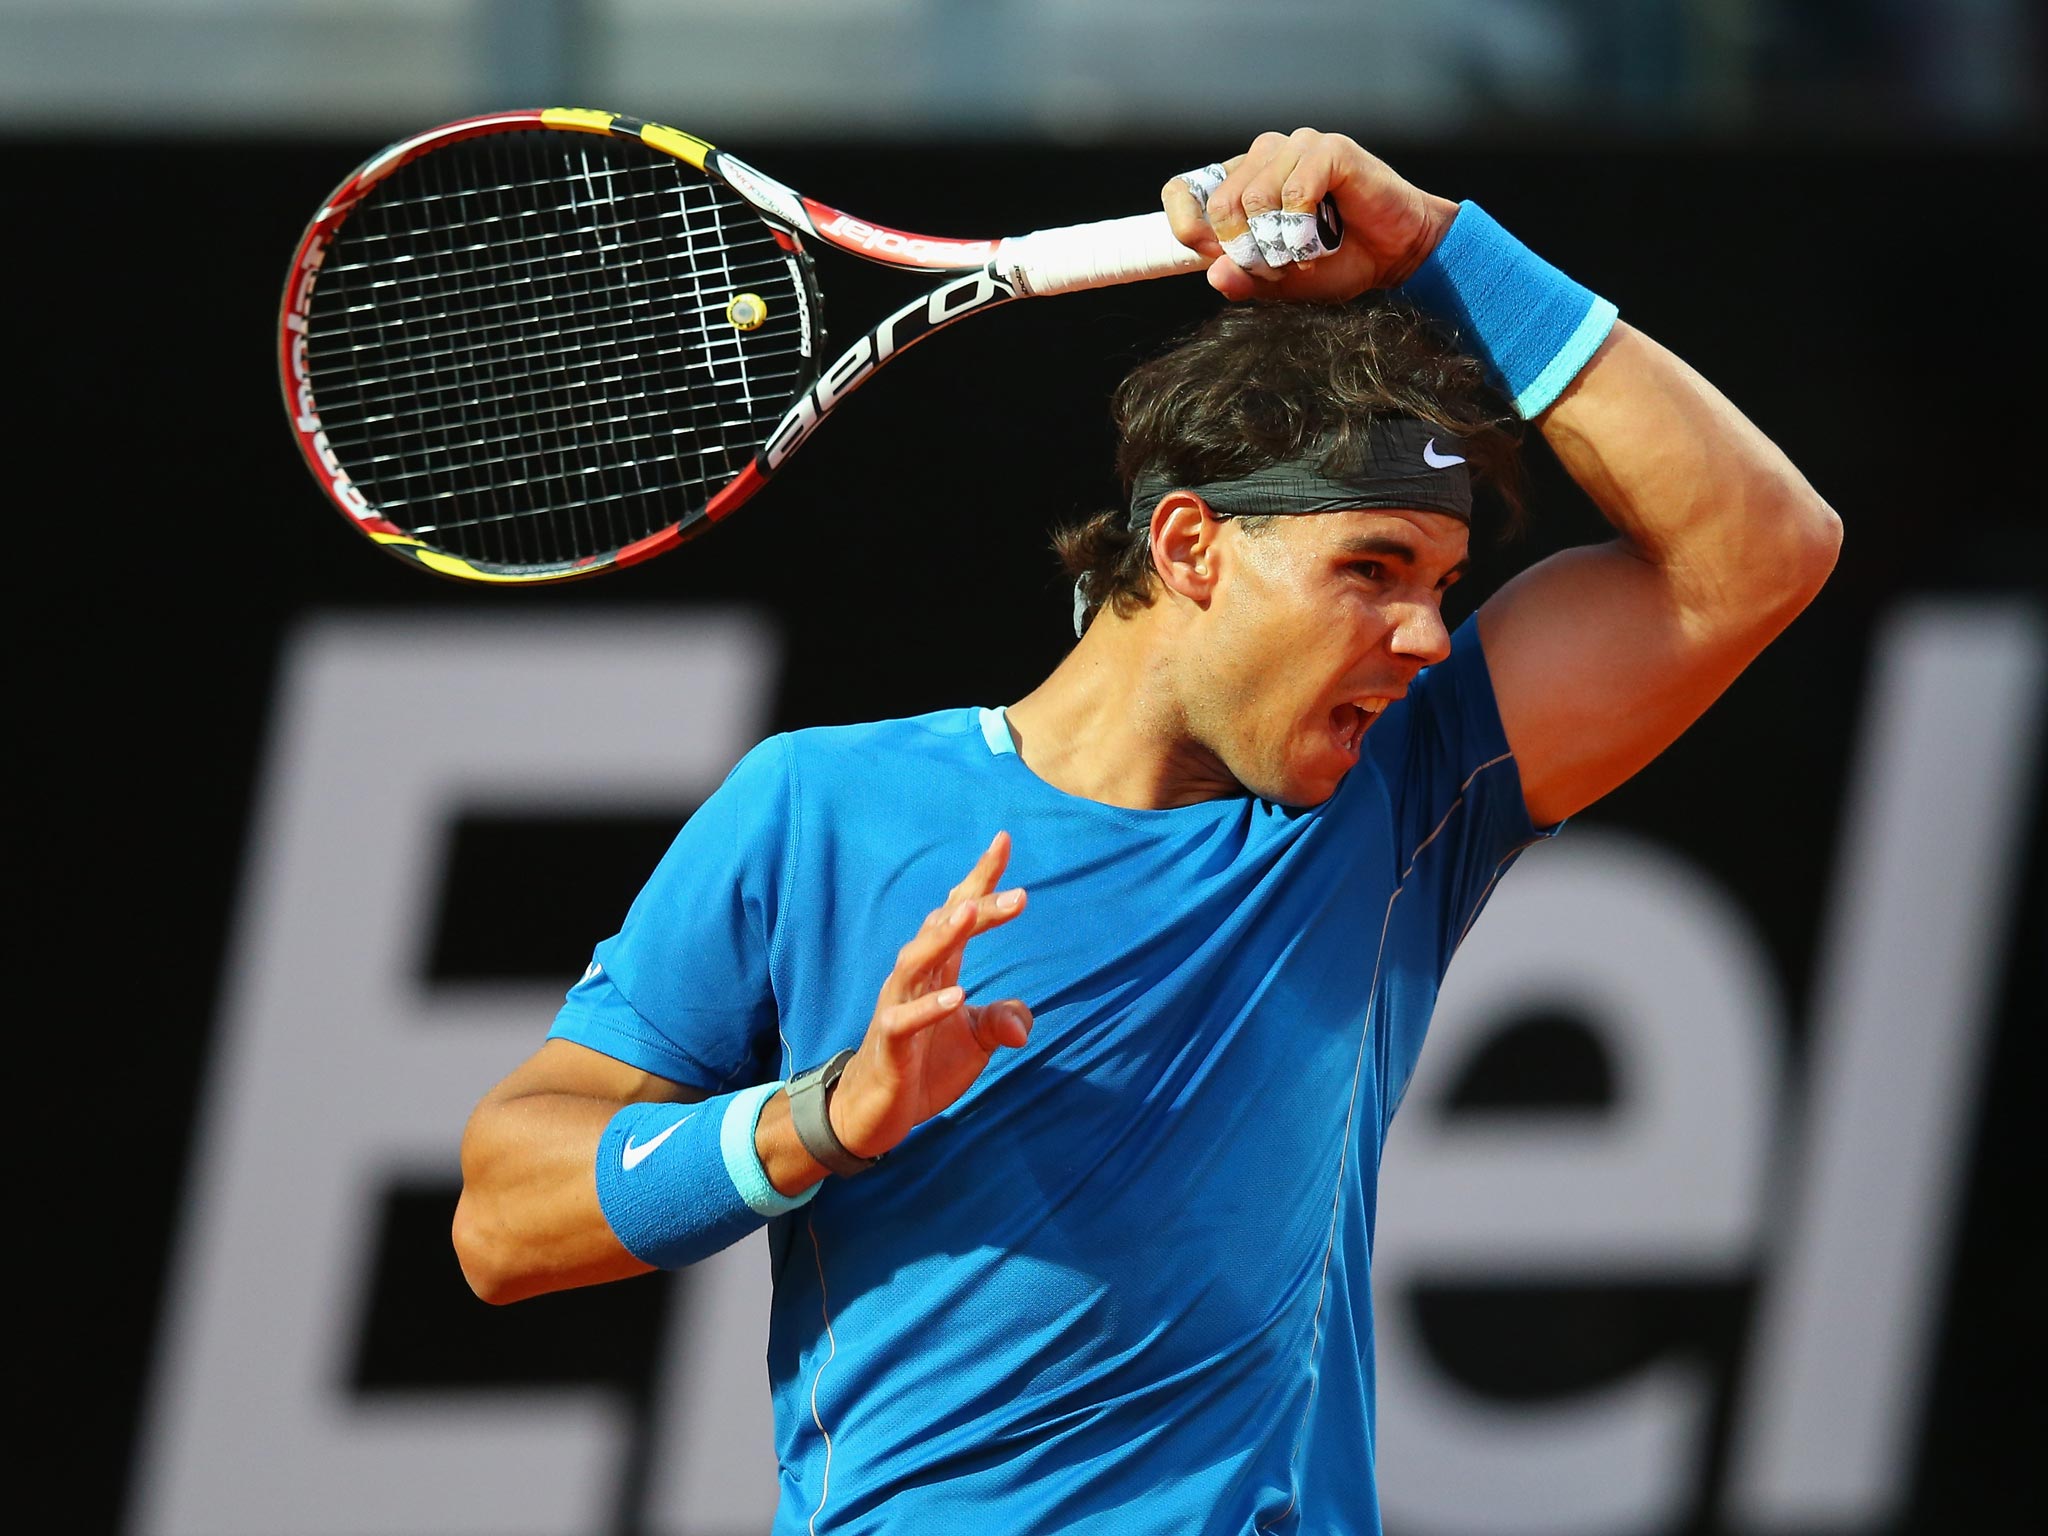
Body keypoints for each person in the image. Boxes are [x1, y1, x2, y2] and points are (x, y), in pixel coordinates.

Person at [452, 130, 1840, 1534]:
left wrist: (1435, 246)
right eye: (1373, 571)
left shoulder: (1406, 798)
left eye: (1445, 582)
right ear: (1188, 549)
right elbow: (505, 1220)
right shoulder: (820, 808)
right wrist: (821, 1119)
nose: (1427, 636)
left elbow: (1762, 551)